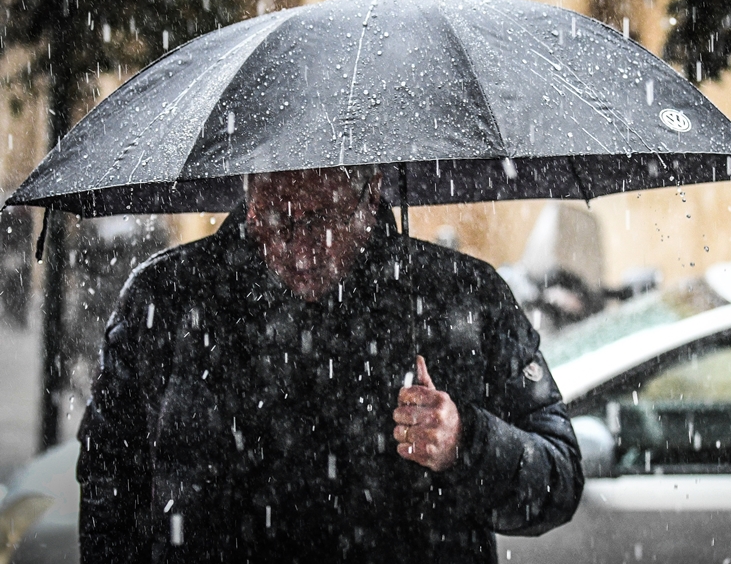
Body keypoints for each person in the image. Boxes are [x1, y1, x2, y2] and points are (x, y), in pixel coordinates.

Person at [77, 166, 583, 563]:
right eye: (274, 217)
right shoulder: (166, 298)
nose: (296, 247)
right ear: (249, 197)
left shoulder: (461, 296)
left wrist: (464, 442)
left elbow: (558, 478)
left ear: (374, 193)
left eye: (321, 220)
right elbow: (110, 485)